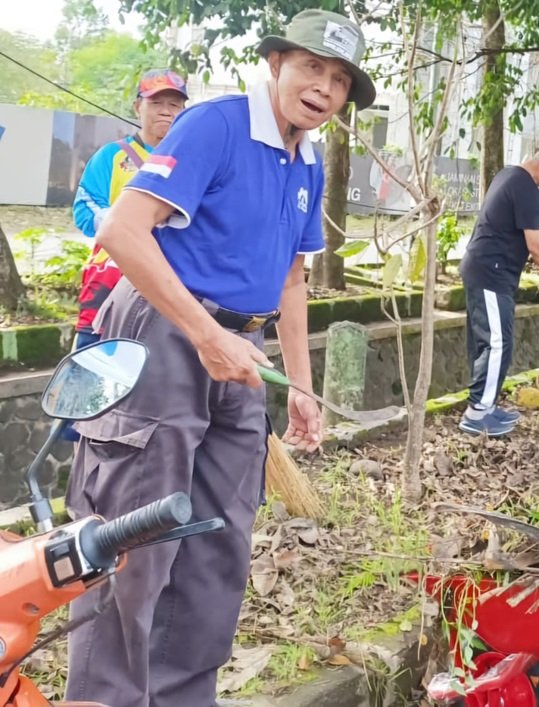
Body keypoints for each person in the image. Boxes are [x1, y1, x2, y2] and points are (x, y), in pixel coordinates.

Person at [63, 10, 376, 706]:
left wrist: (299, 383)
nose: (324, 88)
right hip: (163, 335)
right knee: (136, 537)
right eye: (313, 68)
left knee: (217, 542)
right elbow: (121, 232)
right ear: (275, 63)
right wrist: (204, 333)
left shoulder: (307, 161)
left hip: (241, 352)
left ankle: (179, 695)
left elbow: (293, 276)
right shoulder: (216, 125)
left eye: (340, 80)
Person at [458, 140, 539, 436]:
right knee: (496, 343)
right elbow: (535, 247)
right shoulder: (527, 189)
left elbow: (517, 227)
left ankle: (485, 407)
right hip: (490, 272)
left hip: (485, 270)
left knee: (491, 342)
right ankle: (476, 414)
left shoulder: (510, 176)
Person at [72, 69, 188, 349]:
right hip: (112, 276)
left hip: (174, 279)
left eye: (174, 104)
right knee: (94, 358)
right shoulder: (112, 156)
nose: (165, 111)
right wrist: (123, 226)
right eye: (156, 103)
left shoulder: (192, 163)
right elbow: (84, 210)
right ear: (138, 107)